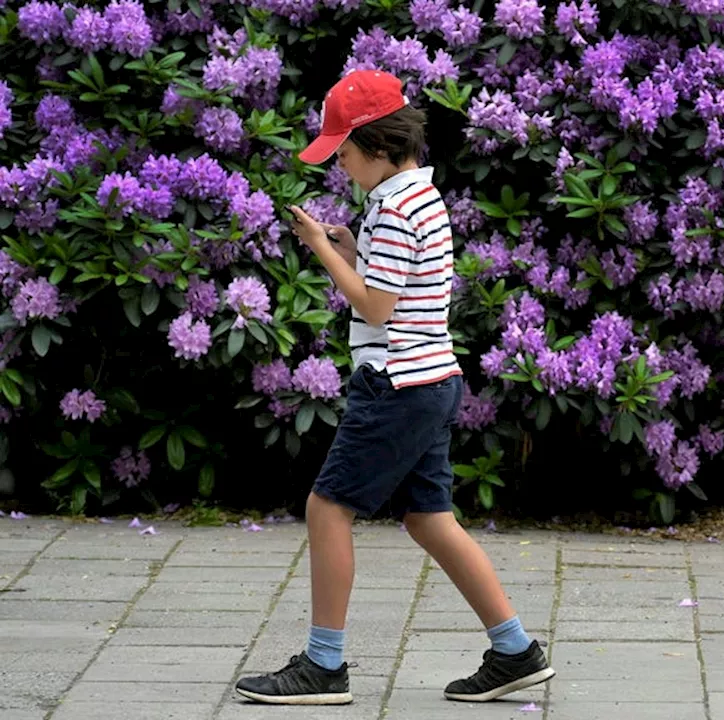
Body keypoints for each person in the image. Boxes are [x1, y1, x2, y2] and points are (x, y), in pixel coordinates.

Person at [232, 69, 555, 706]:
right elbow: (400, 292)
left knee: (327, 509)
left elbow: (377, 310)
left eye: (344, 153)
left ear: (377, 146)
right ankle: (516, 652)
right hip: (431, 378)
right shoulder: (411, 198)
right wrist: (353, 248)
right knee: (430, 520)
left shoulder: (397, 207)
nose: (341, 165)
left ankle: (324, 667)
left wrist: (323, 252)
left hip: (397, 383)